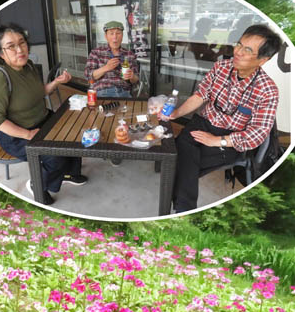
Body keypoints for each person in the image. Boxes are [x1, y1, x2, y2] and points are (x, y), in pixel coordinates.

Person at [162, 24, 281, 213]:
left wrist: (217, 141)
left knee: (179, 165)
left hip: (230, 139)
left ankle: (181, 209)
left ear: (263, 60)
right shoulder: (222, 66)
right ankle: (182, 211)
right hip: (202, 123)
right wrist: (175, 114)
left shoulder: (268, 90)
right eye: (239, 44)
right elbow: (199, 96)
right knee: (182, 162)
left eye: (247, 50)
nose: (238, 52)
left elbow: (257, 134)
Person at [0, 23, 87, 206]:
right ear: (0, 53)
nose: (19, 49)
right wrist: (27, 134)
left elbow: (38, 92)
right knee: (53, 156)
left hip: (42, 118)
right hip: (15, 134)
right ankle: (38, 185)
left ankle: (69, 172)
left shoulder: (29, 66)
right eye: (11, 46)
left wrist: (57, 81)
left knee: (72, 135)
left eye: (22, 42)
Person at [84, 20, 139, 98]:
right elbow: (88, 75)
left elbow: (136, 80)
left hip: (124, 93)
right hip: (103, 92)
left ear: (122, 36)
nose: (115, 37)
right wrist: (106, 68)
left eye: (118, 33)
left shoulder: (129, 54)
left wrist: (132, 76)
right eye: (111, 33)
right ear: (106, 36)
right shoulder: (96, 52)